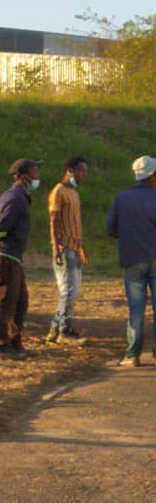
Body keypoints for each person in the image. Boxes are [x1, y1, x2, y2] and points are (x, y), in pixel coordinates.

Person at [0, 158, 41, 360]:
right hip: (4, 256)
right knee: (6, 301)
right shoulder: (14, 198)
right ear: (23, 176)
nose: (37, 176)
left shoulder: (16, 195)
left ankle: (15, 342)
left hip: (12, 256)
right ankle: (1, 345)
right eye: (34, 172)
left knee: (20, 302)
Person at [105, 155, 156, 366]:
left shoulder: (121, 198)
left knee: (136, 308)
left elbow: (111, 230)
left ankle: (133, 354)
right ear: (153, 176)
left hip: (132, 259)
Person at [46, 155, 89, 342]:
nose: (83, 175)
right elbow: (53, 221)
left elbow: (75, 223)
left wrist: (81, 247)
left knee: (73, 291)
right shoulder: (58, 192)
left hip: (74, 247)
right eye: (81, 171)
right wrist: (56, 247)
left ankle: (55, 330)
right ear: (69, 171)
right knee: (69, 291)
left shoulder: (74, 193)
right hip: (64, 247)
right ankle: (64, 331)